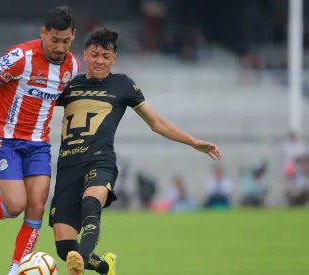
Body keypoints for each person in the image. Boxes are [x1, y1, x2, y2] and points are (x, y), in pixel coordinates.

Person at [48, 27, 222, 275]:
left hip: (100, 162)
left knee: (90, 204)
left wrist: (192, 141)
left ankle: (81, 261)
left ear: (114, 59)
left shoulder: (123, 85)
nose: (100, 61)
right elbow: (32, 102)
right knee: (65, 247)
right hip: (67, 167)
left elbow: (157, 123)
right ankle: (106, 267)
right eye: (95, 54)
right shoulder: (69, 86)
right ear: (85, 55)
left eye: (106, 56)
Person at [0, 6, 80, 275]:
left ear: (73, 36)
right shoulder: (21, 56)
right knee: (16, 205)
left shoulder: (73, 66)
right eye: (54, 40)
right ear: (43, 33)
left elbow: (48, 97)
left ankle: (16, 269)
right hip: (5, 139)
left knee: (37, 206)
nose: (59, 47)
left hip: (38, 144)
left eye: (65, 41)